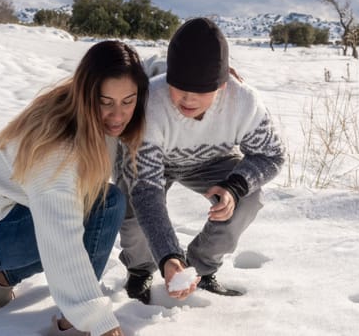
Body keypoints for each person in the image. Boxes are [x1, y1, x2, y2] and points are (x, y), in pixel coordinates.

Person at [0, 40, 149, 336]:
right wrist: (97, 321)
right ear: (86, 94)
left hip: (12, 214)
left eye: (128, 101)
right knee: (105, 205)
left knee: (99, 201)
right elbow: (61, 240)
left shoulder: (81, 103)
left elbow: (153, 74)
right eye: (105, 102)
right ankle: (73, 321)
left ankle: (1, 280)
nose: (118, 115)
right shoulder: (58, 148)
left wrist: (201, 78)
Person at [117, 17, 286, 304]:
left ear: (222, 85)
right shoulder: (150, 106)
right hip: (156, 162)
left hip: (211, 160)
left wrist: (234, 187)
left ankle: (202, 267)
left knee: (247, 198)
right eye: (179, 87)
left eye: (201, 90)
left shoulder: (244, 103)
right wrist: (168, 256)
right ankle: (140, 269)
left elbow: (272, 154)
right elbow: (147, 192)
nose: (188, 99)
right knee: (131, 204)